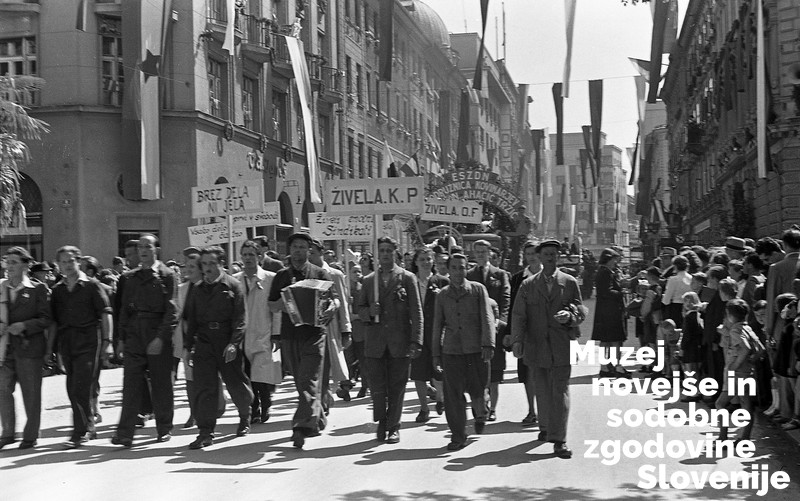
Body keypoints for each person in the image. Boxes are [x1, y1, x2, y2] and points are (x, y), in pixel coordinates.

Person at [511, 239, 585, 459]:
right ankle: (545, 427)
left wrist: (570, 317)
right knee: (542, 390)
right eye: (546, 254)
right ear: (540, 258)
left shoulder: (569, 282)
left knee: (560, 391)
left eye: (554, 254)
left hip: (561, 345)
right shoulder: (528, 284)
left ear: (558, 257)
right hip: (536, 346)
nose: (551, 258)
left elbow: (581, 311)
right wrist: (517, 340)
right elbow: (518, 315)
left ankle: (559, 440)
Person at [268, 232, 338, 449]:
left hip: (315, 334)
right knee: (301, 382)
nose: (298, 251)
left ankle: (300, 425)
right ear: (289, 251)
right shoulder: (281, 276)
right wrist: (286, 300)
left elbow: (334, 300)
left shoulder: (319, 274)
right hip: (290, 335)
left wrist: (331, 309)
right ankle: (316, 419)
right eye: (294, 247)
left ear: (309, 250)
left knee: (308, 379)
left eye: (302, 247)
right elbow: (271, 306)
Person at [112, 234, 177, 448]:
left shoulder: (167, 275)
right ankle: (125, 433)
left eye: (148, 246)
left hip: (156, 332)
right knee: (131, 384)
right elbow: (123, 310)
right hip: (134, 335)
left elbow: (172, 310)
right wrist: (121, 338)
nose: (143, 250)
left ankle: (164, 428)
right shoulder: (129, 277)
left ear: (156, 249)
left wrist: (161, 337)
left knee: (161, 384)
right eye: (140, 247)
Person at [184, 246, 253, 449]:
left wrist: (234, 343)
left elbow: (241, 319)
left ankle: (244, 416)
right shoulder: (197, 289)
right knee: (205, 387)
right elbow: (193, 320)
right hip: (204, 342)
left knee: (236, 383)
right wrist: (188, 347)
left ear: (221, 264)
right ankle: (205, 432)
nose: (207, 268)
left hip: (226, 341)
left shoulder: (233, 286)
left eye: (212, 263)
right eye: (204, 264)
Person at [357, 237, 423, 444]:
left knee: (397, 386)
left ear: (395, 252)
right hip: (375, 343)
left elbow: (416, 311)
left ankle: (394, 426)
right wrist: (369, 312)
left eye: (388, 250)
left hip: (399, 342)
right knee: (377, 386)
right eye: (381, 251)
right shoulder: (369, 281)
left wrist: (416, 341)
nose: (385, 254)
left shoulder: (407, 278)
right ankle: (382, 420)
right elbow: (358, 309)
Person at [50, 245, 113, 448]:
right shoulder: (58, 290)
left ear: (79, 262)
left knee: (81, 386)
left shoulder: (92, 285)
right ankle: (88, 427)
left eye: (71, 261)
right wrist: (55, 350)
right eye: (63, 262)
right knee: (71, 387)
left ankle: (82, 430)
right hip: (67, 341)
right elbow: (55, 322)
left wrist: (108, 343)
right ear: (58, 265)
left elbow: (106, 313)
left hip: (88, 340)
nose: (67, 266)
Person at [431, 253, 494, 450]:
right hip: (452, 351)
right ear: (448, 270)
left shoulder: (477, 290)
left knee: (478, 391)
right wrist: (435, 354)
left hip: (476, 350)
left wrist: (488, 344)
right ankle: (458, 436)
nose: (458, 272)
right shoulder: (442, 295)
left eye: (462, 267)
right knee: (453, 396)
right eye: (455, 268)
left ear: (467, 269)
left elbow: (487, 318)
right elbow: (437, 325)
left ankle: (481, 413)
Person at [0, 247, 51, 450]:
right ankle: (8, 433)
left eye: (13, 262)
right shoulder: (1, 288)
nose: (9, 266)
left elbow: (46, 319)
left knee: (30, 393)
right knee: (2, 390)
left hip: (29, 348)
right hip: (5, 349)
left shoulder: (37, 289)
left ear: (26, 265)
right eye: (7, 262)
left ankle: (30, 435)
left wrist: (24, 326)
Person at [234, 241, 281, 424]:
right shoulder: (235, 280)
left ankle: (266, 402)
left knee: (262, 375)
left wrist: (276, 334)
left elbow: (276, 309)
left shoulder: (270, 279)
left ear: (259, 257)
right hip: (243, 335)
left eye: (251, 255)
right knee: (247, 375)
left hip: (263, 331)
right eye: (244, 255)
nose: (247, 258)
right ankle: (253, 408)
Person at [308, 239, 351, 410]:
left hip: (330, 327)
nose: (309, 256)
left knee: (329, 363)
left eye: (312, 252)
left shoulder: (334, 274)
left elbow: (343, 303)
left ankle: (325, 396)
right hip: (309, 327)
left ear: (321, 252)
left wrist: (346, 329)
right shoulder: (304, 272)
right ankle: (319, 398)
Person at [409, 248, 449, 422]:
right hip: (416, 333)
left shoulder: (442, 281)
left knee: (438, 370)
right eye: (422, 259)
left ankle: (440, 398)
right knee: (418, 373)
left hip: (436, 333)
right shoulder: (409, 282)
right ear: (415, 262)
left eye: (428, 259)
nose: (426, 262)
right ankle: (423, 408)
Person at [715, 299, 758, 443]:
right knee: (746, 404)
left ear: (729, 315)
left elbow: (745, 348)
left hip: (737, 374)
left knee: (720, 404)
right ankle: (745, 438)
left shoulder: (735, 329)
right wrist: (750, 361)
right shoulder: (748, 328)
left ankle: (722, 438)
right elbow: (761, 350)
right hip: (748, 372)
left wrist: (734, 366)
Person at [508, 240, 541, 425]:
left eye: (535, 253)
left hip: (547, 333)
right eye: (529, 254)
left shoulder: (551, 275)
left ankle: (546, 411)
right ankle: (531, 411)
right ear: (525, 257)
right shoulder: (517, 279)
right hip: (527, 334)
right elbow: (513, 307)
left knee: (545, 373)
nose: (533, 257)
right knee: (528, 373)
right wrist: (512, 334)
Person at [592, 248, 629, 378]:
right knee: (615, 339)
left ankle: (606, 367)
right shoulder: (605, 272)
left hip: (605, 310)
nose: (616, 262)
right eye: (614, 259)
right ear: (608, 259)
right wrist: (621, 293)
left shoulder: (605, 271)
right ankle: (616, 366)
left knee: (606, 340)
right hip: (610, 310)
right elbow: (606, 292)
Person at [466, 240, 510, 322]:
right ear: (474, 253)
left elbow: (506, 298)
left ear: (489, 253)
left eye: (483, 252)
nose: (480, 254)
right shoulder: (469, 275)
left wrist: (502, 319)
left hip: (495, 318)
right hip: (474, 320)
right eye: (477, 252)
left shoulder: (500, 274)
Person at [487, 299, 510, 422]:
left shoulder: (502, 326)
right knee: (483, 386)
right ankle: (483, 405)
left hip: (497, 362)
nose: (495, 311)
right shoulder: (481, 325)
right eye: (491, 309)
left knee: (494, 386)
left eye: (496, 308)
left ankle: (492, 409)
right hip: (483, 360)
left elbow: (508, 345)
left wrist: (509, 343)